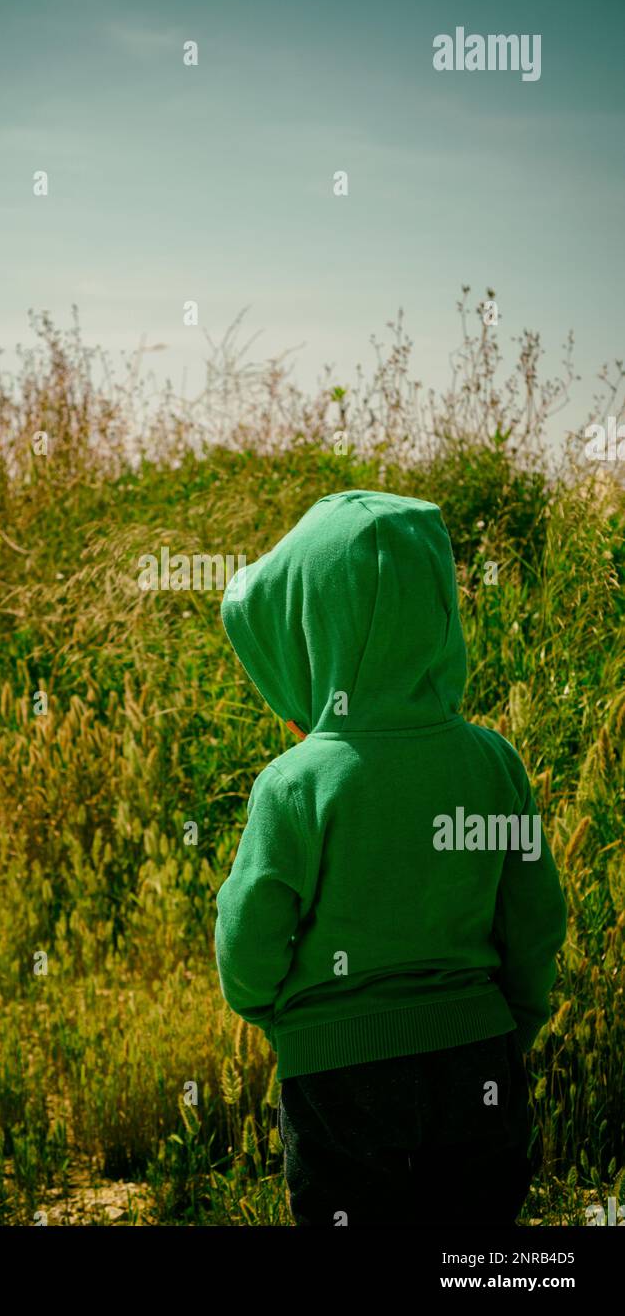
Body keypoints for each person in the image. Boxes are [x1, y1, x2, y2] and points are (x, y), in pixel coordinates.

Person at [214, 490, 568, 1227]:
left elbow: (249, 933)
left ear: (312, 628)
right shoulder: (492, 762)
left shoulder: (295, 784)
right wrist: (515, 1021)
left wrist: (276, 1013)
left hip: (338, 1073)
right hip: (479, 1057)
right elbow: (536, 912)